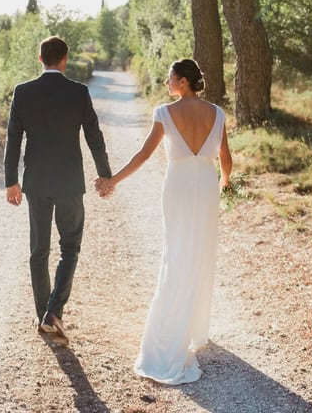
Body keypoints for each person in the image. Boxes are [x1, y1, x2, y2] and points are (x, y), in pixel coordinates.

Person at [95, 58, 232, 384]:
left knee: (176, 253)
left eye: (170, 79)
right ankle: (194, 326)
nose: (166, 84)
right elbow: (226, 158)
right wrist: (225, 183)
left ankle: (170, 332)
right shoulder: (218, 113)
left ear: (183, 82)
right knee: (200, 253)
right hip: (206, 184)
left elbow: (144, 155)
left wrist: (113, 180)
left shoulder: (165, 113)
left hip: (179, 186)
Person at [4, 35, 112, 345]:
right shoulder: (78, 92)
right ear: (64, 59)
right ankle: (53, 314)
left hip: (36, 182)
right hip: (69, 182)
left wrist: (11, 180)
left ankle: (45, 315)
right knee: (70, 248)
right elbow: (95, 137)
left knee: (39, 250)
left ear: (40, 59)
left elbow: (13, 139)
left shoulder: (23, 92)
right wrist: (105, 175)